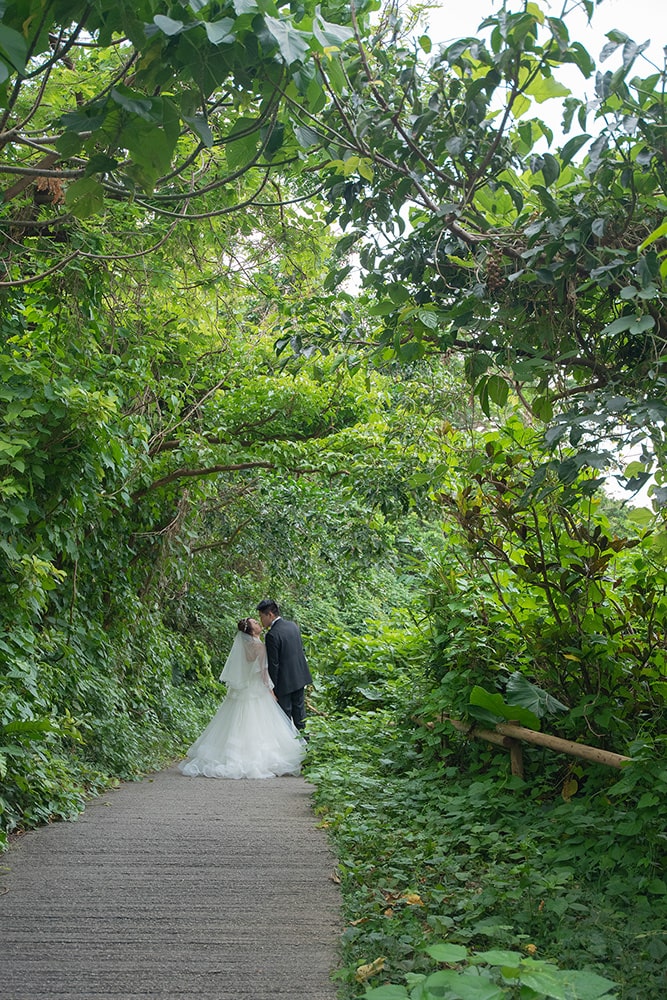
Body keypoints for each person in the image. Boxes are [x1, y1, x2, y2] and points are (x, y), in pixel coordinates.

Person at [178, 618, 305, 779]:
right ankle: (258, 758)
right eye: (256, 624)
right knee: (259, 722)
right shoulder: (259, 646)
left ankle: (229, 754)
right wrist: (271, 690)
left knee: (236, 721)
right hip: (257, 689)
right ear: (252, 631)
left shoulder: (243, 646)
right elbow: (264, 672)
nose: (259, 624)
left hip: (242, 690)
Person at [256, 599, 312, 732]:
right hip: (300, 677)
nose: (261, 620)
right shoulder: (293, 626)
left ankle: (290, 749)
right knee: (300, 715)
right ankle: (305, 744)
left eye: (261, 616)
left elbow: (274, 664)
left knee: (284, 718)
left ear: (270, 614)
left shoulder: (272, 635)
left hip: (284, 683)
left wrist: (272, 687)